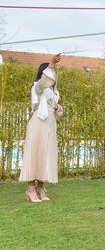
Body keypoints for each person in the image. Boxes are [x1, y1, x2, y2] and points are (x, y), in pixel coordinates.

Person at [19, 54, 63, 202]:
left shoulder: (54, 94)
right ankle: (31, 189)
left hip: (50, 125)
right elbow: (44, 83)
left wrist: (58, 109)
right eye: (51, 71)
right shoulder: (38, 87)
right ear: (44, 73)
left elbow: (56, 112)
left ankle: (40, 188)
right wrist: (51, 63)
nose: (53, 74)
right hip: (38, 123)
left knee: (46, 155)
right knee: (35, 154)